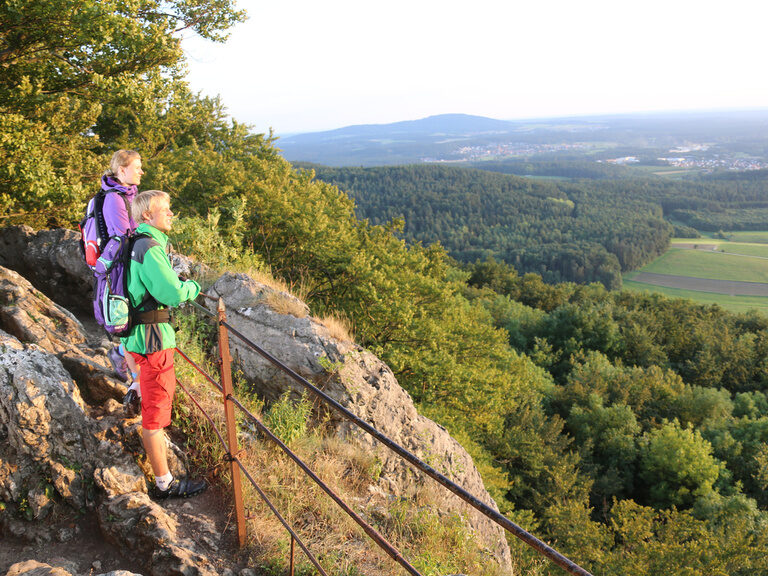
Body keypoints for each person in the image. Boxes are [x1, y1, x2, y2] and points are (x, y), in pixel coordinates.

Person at [123, 189, 206, 498]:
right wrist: (192, 286)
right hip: (153, 342)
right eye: (166, 209)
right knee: (154, 418)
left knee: (150, 398)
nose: (171, 214)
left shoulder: (135, 242)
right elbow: (171, 293)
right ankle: (164, 484)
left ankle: (136, 388)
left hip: (135, 336)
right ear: (148, 215)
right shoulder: (149, 248)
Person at [100, 150, 144, 411]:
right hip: (121, 270)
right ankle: (130, 369)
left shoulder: (129, 194)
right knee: (128, 321)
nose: (140, 172)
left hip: (130, 265)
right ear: (122, 170)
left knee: (135, 319)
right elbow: (124, 237)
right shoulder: (115, 199)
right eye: (136, 167)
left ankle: (122, 357)